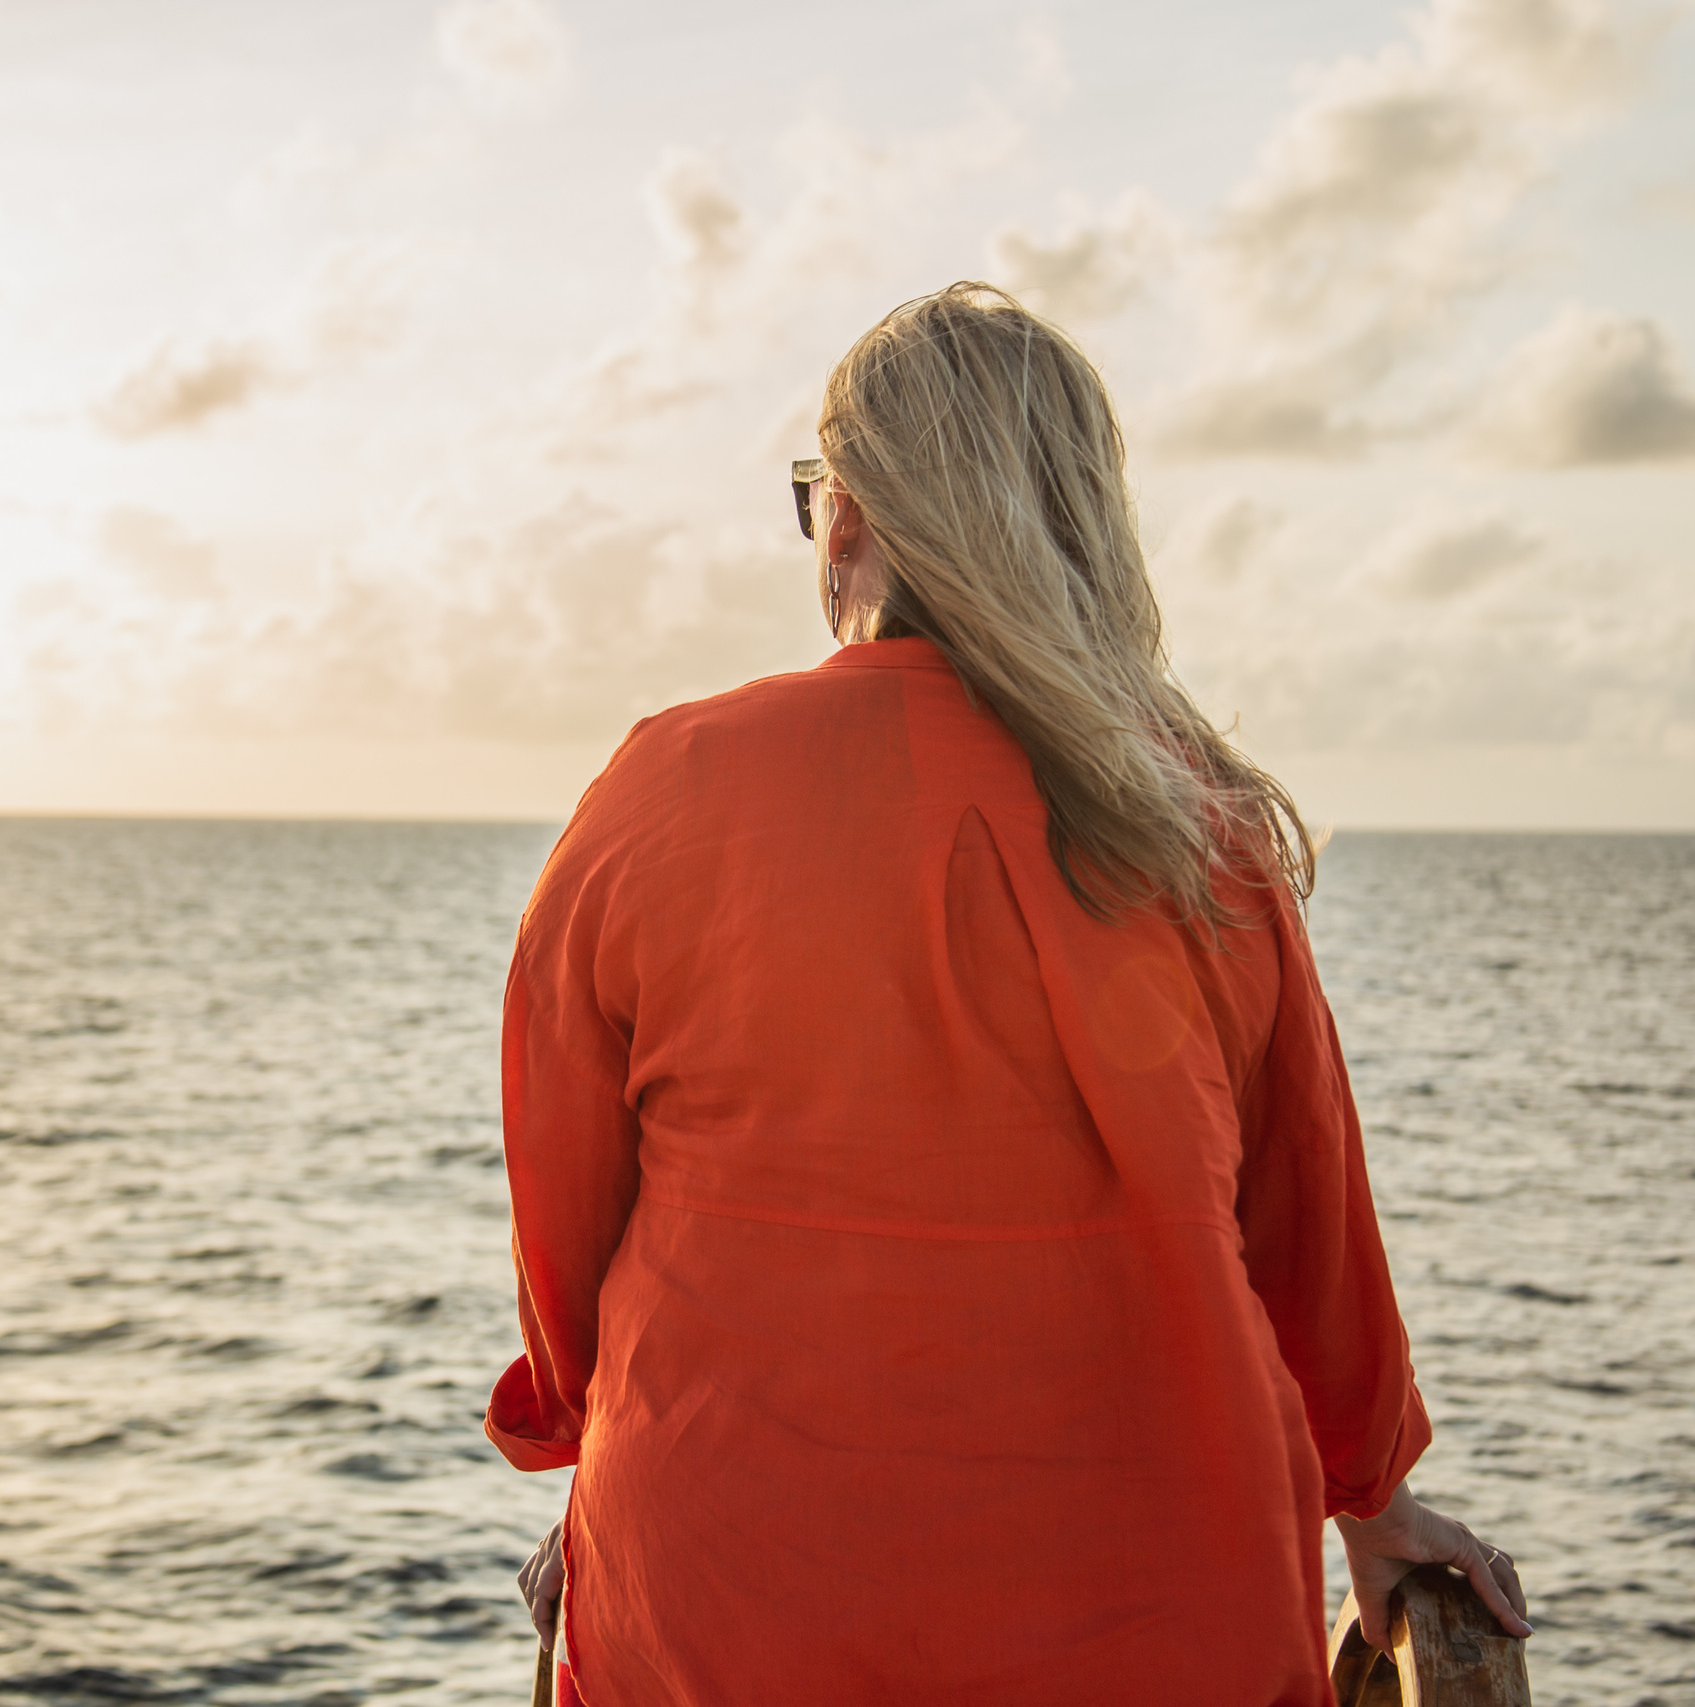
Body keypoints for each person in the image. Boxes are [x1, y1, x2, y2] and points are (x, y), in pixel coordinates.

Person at [485, 282, 1528, 1706]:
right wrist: (1376, 1502)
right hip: (1168, 1630)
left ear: (848, 519)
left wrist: (595, 1448)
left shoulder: (666, 791)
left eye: (814, 497)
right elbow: (1310, 1233)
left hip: (725, 1615)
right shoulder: (1195, 827)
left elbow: (568, 1241)